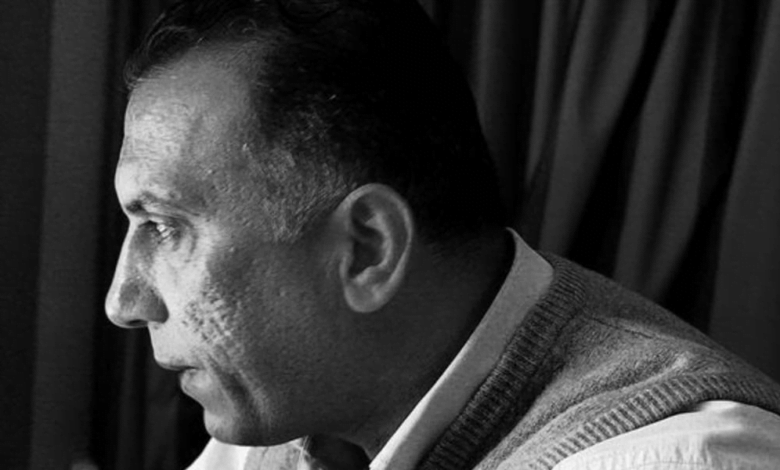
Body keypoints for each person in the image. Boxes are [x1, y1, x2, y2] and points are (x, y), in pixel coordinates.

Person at [104, 0, 780, 469]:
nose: (125, 301)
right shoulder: (293, 397)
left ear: (366, 249)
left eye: (164, 227)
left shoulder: (675, 459)